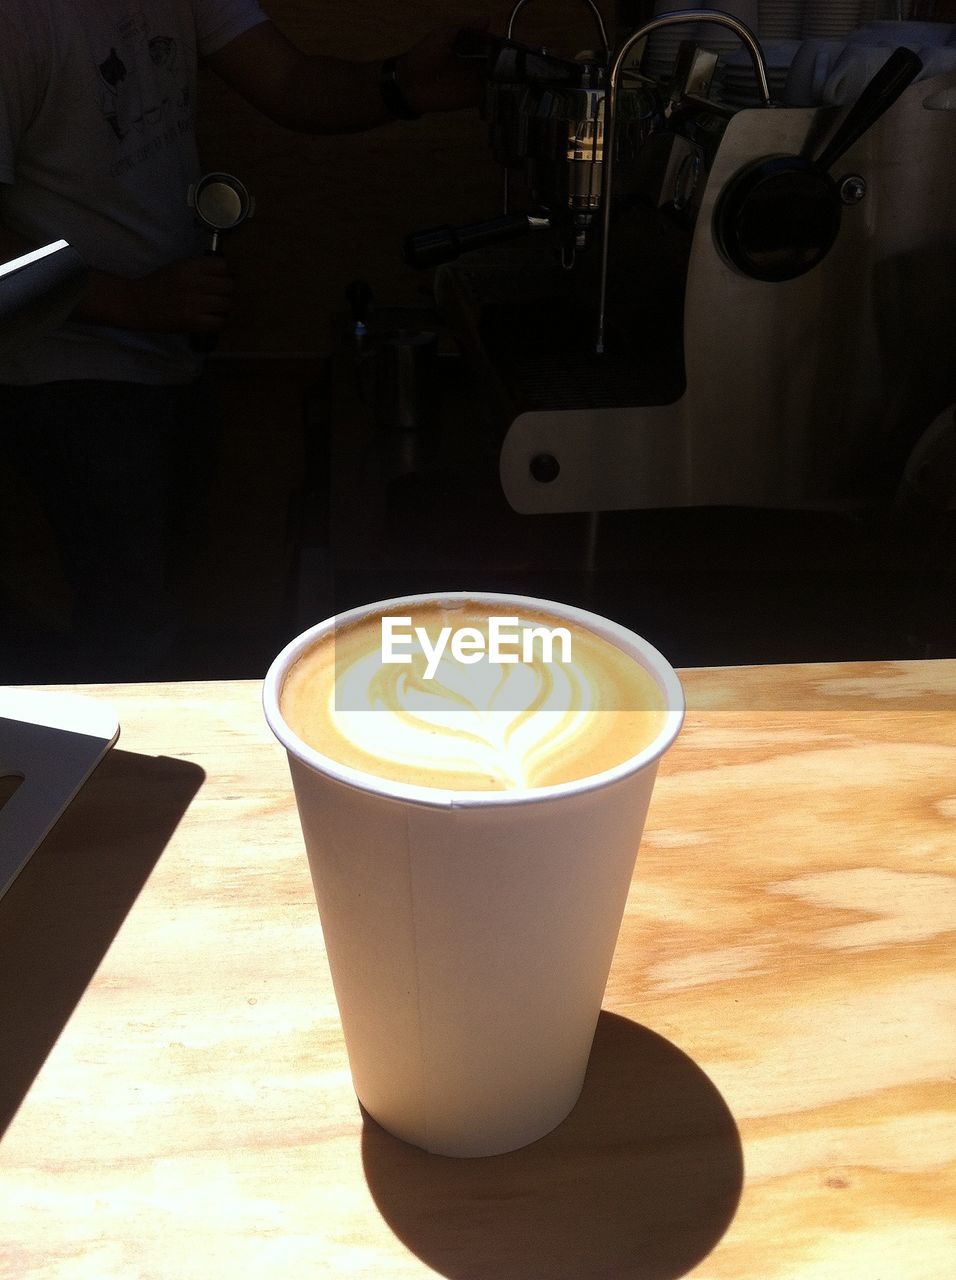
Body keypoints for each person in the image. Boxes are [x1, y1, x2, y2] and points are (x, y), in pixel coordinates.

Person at [0, 0, 480, 679]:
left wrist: (402, 84)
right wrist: (132, 301)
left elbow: (290, 83)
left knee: (156, 597)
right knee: (130, 630)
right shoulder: (19, 23)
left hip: (174, 353)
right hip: (69, 372)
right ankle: (120, 778)